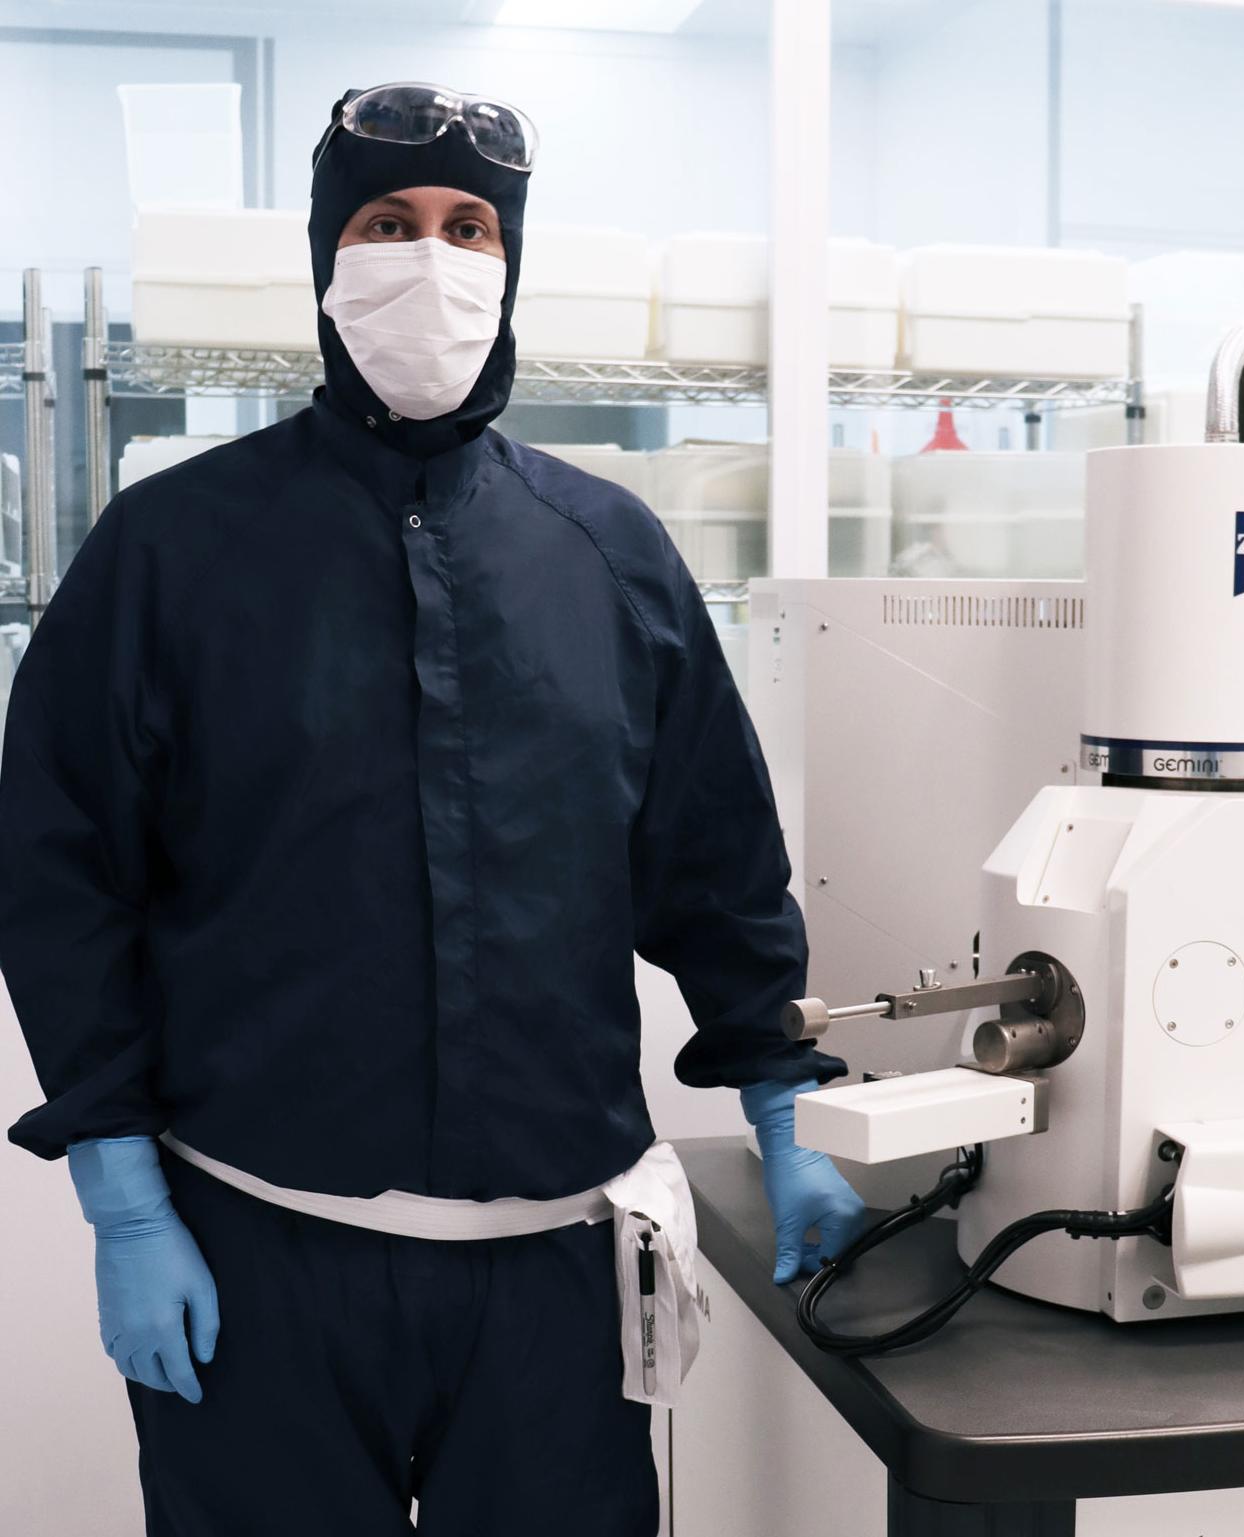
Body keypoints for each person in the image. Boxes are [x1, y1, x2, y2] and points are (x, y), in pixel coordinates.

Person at [0, 82, 864, 1536]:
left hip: (553, 1281)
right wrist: (123, 1195)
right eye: (387, 223)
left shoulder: (610, 554)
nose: (431, 260)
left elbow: (714, 859)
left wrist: (784, 1106)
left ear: (510, 260)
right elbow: (59, 869)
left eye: (469, 227)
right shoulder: (174, 548)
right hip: (260, 1250)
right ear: (328, 262)